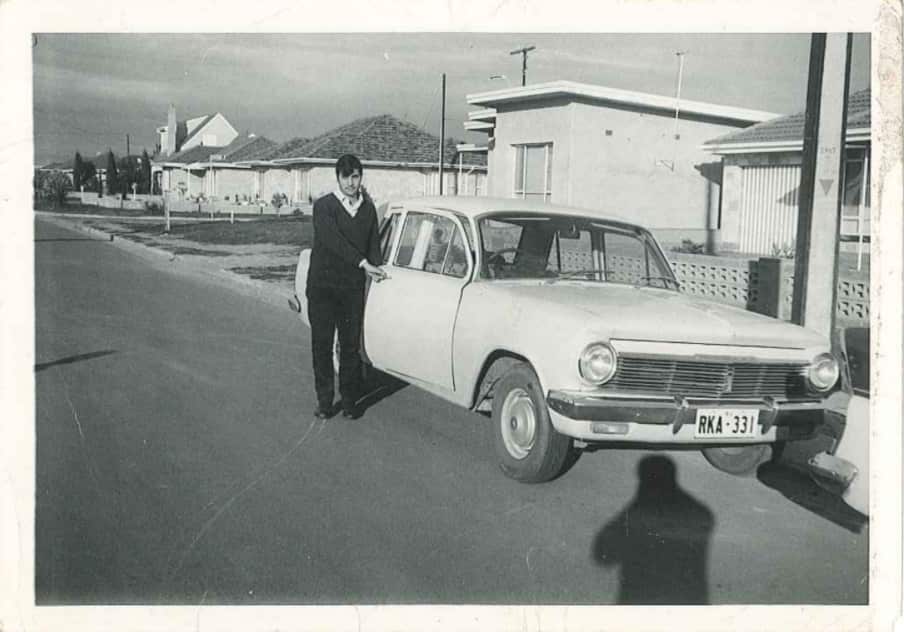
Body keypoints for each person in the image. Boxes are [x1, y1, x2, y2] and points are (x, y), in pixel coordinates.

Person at [306, 154, 387, 420]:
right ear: (337, 178)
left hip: (351, 290)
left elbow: (373, 246)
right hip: (323, 288)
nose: (351, 183)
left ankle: (350, 401)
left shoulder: (367, 210)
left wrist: (379, 267)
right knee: (322, 344)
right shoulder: (324, 206)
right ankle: (325, 401)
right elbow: (333, 241)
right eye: (346, 177)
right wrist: (363, 262)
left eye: (356, 176)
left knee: (350, 346)